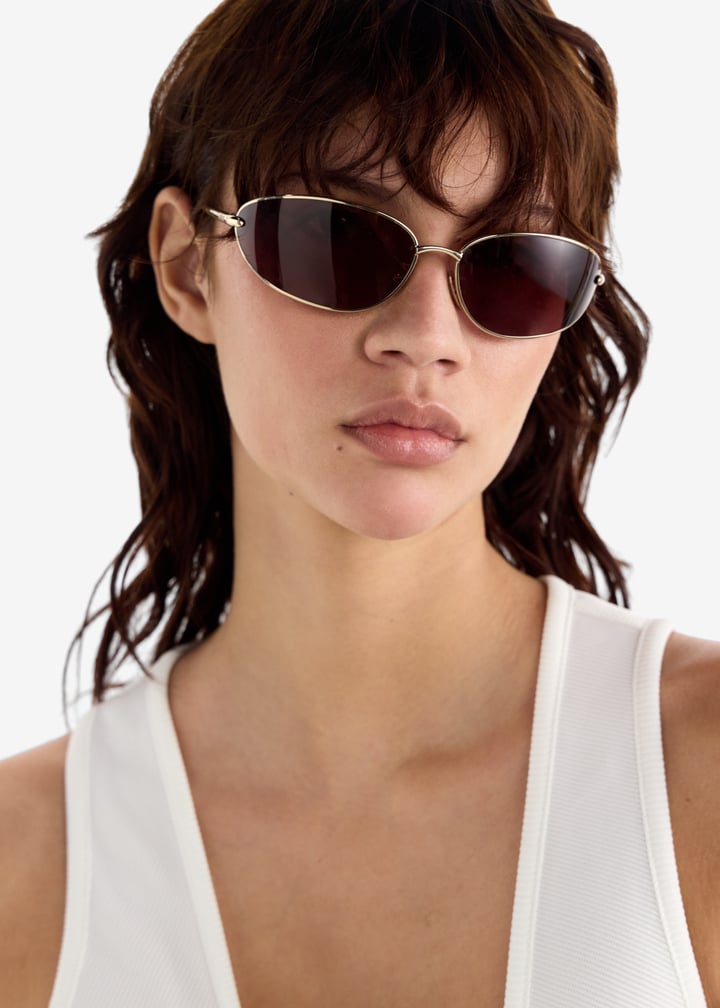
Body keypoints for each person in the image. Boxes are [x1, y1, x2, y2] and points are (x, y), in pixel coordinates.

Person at [1, 0, 718, 1004]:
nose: (426, 335)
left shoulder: (700, 769)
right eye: (336, 240)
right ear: (186, 267)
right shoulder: (24, 866)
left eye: (513, 266)